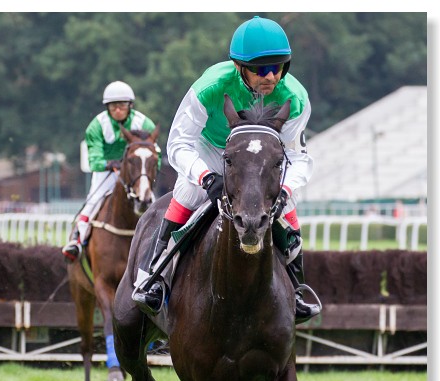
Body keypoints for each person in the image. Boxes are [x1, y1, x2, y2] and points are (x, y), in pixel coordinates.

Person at [131, 16, 320, 324]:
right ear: (239, 66)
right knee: (188, 191)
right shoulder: (210, 87)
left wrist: (285, 190)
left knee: (288, 211)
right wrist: (205, 177)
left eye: (278, 67)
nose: (271, 76)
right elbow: (178, 144)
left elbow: (296, 157)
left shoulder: (295, 98)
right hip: (209, 149)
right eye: (261, 69)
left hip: (259, 158)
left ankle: (297, 291)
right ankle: (152, 278)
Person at [62, 81, 158, 262]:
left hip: (136, 172)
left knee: (152, 203)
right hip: (107, 172)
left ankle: (163, 241)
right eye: (114, 107)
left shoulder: (145, 123)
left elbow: (155, 155)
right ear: (108, 107)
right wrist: (110, 164)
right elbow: (94, 160)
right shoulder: (96, 126)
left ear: (130, 105)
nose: (118, 111)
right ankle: (76, 240)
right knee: (93, 202)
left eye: (122, 106)